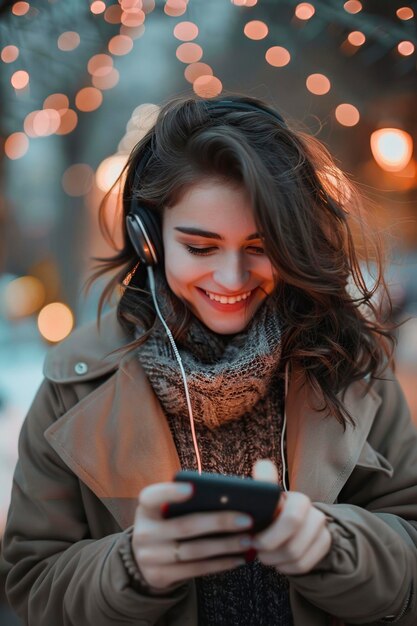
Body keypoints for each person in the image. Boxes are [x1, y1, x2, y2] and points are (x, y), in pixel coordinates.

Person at [2, 94, 417, 626]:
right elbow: (33, 587)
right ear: (148, 239)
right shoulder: (73, 385)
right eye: (201, 247)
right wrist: (131, 567)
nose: (231, 280)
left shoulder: (352, 362)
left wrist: (334, 548)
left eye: (259, 246)